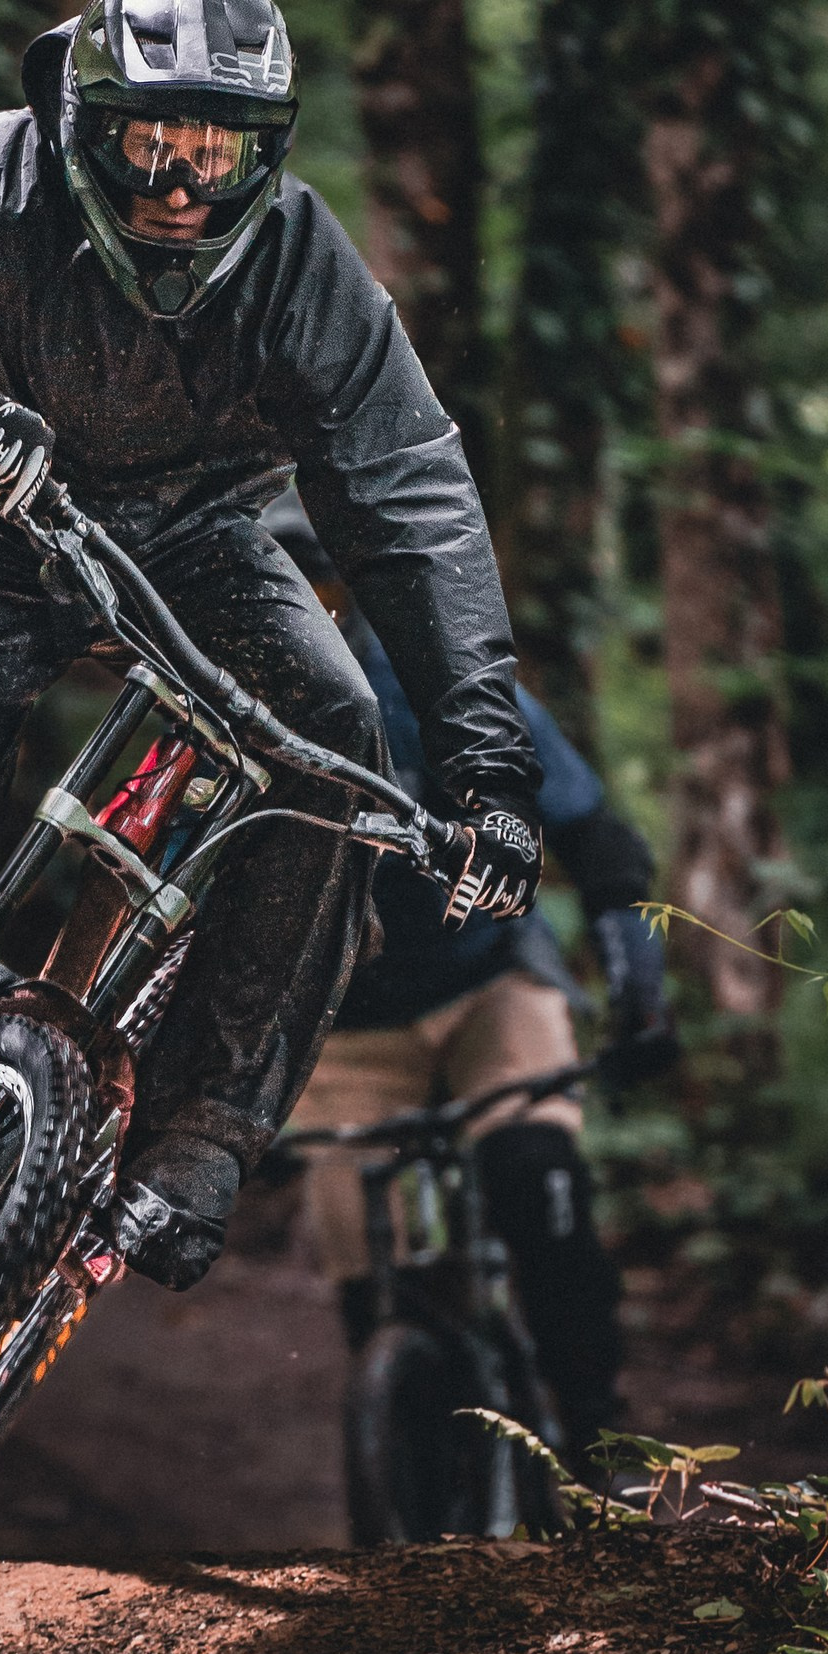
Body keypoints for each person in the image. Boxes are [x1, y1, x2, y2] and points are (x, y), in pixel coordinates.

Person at [0, 0, 541, 1291]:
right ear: (85, 124)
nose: (181, 188)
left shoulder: (298, 257)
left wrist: (489, 771)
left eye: (218, 156)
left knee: (333, 745)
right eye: (151, 146)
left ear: (266, 154)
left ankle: (199, 1140)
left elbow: (414, 500)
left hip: (192, 536)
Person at [277, 500, 677, 1474]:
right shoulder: (230, 706)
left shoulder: (436, 677)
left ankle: (597, 1440)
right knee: (375, 1279)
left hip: (488, 982)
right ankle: (423, 1483)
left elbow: (597, 838)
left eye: (325, 586)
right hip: (345, 1019)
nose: (310, 609)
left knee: (537, 1182)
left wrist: (639, 983)